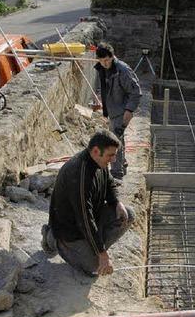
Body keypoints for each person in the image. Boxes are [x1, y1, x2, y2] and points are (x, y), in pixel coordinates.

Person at [41, 130, 135, 276]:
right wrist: (102, 255)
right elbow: (85, 220)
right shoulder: (79, 175)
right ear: (96, 151)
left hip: (90, 218)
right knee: (94, 266)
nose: (114, 160)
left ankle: (93, 247)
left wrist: (116, 202)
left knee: (127, 214)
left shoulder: (99, 161)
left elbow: (109, 182)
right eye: (111, 155)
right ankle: (52, 238)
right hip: (71, 229)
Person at [94, 42, 142, 180]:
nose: (104, 64)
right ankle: (123, 165)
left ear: (112, 56)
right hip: (112, 110)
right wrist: (100, 99)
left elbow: (136, 93)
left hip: (122, 110)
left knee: (114, 141)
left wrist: (128, 111)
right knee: (117, 139)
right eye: (101, 61)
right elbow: (104, 87)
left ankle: (116, 174)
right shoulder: (102, 68)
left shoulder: (123, 70)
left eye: (107, 60)